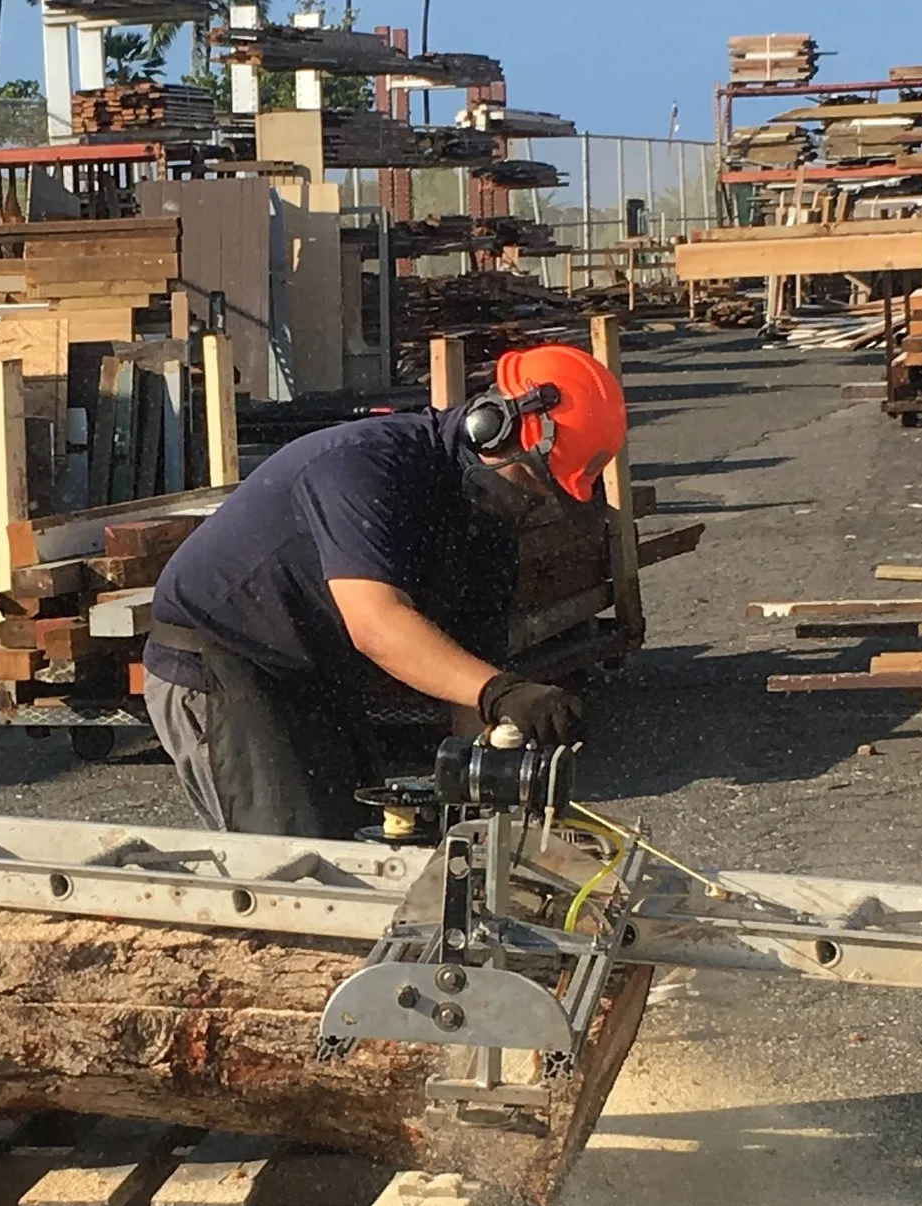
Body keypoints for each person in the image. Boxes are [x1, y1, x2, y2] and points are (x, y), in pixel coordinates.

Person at [141, 342, 628, 839]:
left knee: (361, 844)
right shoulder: (366, 467)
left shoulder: (485, 523)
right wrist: (504, 692)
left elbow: (468, 676)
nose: (530, 498)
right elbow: (377, 623)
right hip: (219, 657)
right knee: (295, 866)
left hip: (309, 670)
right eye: (531, 478)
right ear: (492, 424)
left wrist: (487, 789)